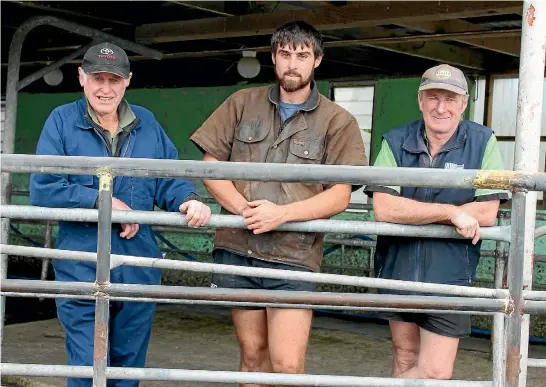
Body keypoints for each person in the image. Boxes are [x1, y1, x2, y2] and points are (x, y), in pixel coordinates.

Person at [190, 20, 367, 386]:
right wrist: (244, 211)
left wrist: (282, 215)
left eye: (302, 55)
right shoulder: (242, 103)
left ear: (317, 60)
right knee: (252, 356)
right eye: (285, 54)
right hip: (239, 248)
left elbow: (339, 194)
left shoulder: (338, 120)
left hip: (294, 255)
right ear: (273, 57)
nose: (292, 64)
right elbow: (209, 165)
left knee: (287, 365)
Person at [30, 42, 211, 387]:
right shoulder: (62, 122)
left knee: (128, 368)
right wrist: (105, 203)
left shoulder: (146, 123)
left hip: (137, 263)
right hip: (81, 264)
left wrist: (187, 198)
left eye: (114, 79)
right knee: (86, 365)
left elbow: (166, 177)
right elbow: (44, 188)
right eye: (98, 78)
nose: (105, 88)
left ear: (128, 81)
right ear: (81, 77)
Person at [364, 64, 509, 380]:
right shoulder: (395, 140)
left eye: (449, 98)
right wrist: (452, 213)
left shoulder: (484, 142)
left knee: (436, 371)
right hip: (397, 267)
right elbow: (385, 208)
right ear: (420, 100)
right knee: (404, 357)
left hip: (450, 274)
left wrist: (423, 211)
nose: (440, 107)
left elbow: (487, 211)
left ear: (463, 103)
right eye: (432, 97)